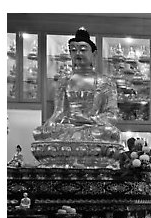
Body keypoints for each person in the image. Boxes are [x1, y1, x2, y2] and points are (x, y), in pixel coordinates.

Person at [32, 27, 122, 168]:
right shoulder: (64, 80)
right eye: (73, 50)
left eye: (83, 49)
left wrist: (90, 119)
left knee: (110, 133)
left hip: (94, 129)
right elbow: (58, 112)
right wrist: (50, 123)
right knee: (39, 133)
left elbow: (113, 114)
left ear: (94, 53)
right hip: (68, 128)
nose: (78, 53)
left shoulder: (105, 81)